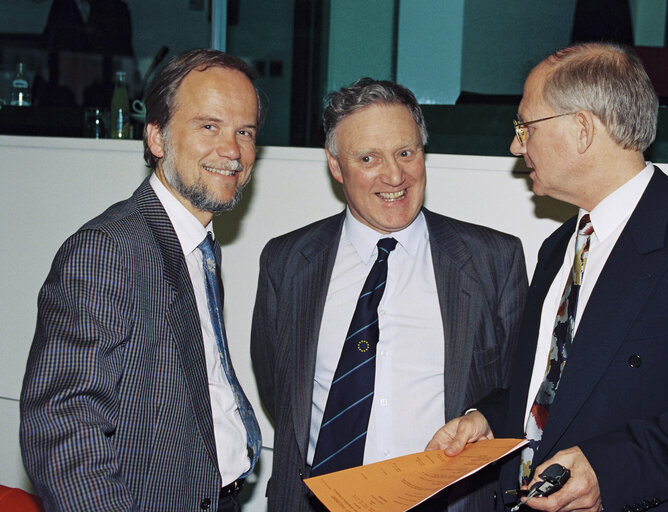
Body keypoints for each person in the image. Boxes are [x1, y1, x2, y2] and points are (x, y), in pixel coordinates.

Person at [427, 42, 668, 512]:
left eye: (525, 126)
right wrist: (490, 418)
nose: (515, 144)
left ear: (582, 129)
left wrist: (611, 469)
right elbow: (562, 389)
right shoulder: (557, 249)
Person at [251, 78, 528, 511]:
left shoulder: (494, 259)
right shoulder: (287, 262)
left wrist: (486, 418)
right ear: (336, 165)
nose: (395, 175)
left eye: (406, 152)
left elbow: (520, 388)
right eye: (368, 158)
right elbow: (279, 389)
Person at [20, 49, 264, 512]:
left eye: (244, 132)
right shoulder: (109, 249)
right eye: (208, 126)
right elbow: (63, 427)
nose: (232, 150)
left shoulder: (196, 241)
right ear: (156, 137)